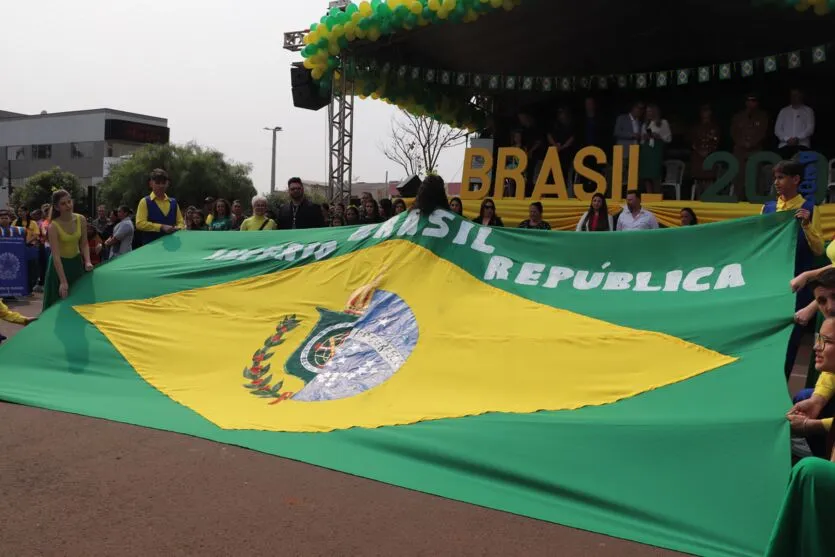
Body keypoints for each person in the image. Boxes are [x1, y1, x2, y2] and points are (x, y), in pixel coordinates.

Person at [763, 160, 824, 379]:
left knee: (790, 339)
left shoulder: (809, 209)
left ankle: (780, 386)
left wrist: (806, 225)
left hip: (797, 288)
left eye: (781, 177)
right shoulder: (767, 209)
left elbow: (818, 250)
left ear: (796, 180)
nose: (776, 183)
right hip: (768, 284)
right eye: (775, 178)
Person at [42, 189, 93, 311]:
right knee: (56, 304)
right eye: (63, 204)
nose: (68, 206)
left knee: (78, 302)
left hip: (76, 263)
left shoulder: (81, 219)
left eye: (69, 202)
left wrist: (87, 261)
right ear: (57, 207)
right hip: (58, 266)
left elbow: (84, 243)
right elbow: (55, 256)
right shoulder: (53, 226)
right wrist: (63, 282)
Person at [135, 168, 184, 246]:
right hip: (151, 247)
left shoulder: (173, 202)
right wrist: (161, 227)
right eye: (157, 182)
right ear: (151, 183)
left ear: (167, 184)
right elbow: (139, 224)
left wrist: (179, 228)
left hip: (171, 246)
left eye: (163, 183)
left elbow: (181, 222)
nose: (161, 186)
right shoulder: (145, 201)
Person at [638, 104, 672, 194]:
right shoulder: (645, 124)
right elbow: (641, 141)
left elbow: (668, 138)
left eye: (650, 111)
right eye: (647, 112)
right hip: (646, 150)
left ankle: (657, 195)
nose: (649, 113)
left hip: (656, 151)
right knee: (646, 175)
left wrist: (659, 136)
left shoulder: (663, 123)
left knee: (655, 175)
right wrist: (644, 137)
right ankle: (649, 195)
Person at [775, 88, 815, 160]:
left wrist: (797, 138)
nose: (793, 97)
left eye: (796, 95)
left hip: (802, 145)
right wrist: (787, 139)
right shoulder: (784, 111)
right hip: (784, 145)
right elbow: (777, 130)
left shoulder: (808, 111)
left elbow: (810, 129)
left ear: (801, 96)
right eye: (792, 95)